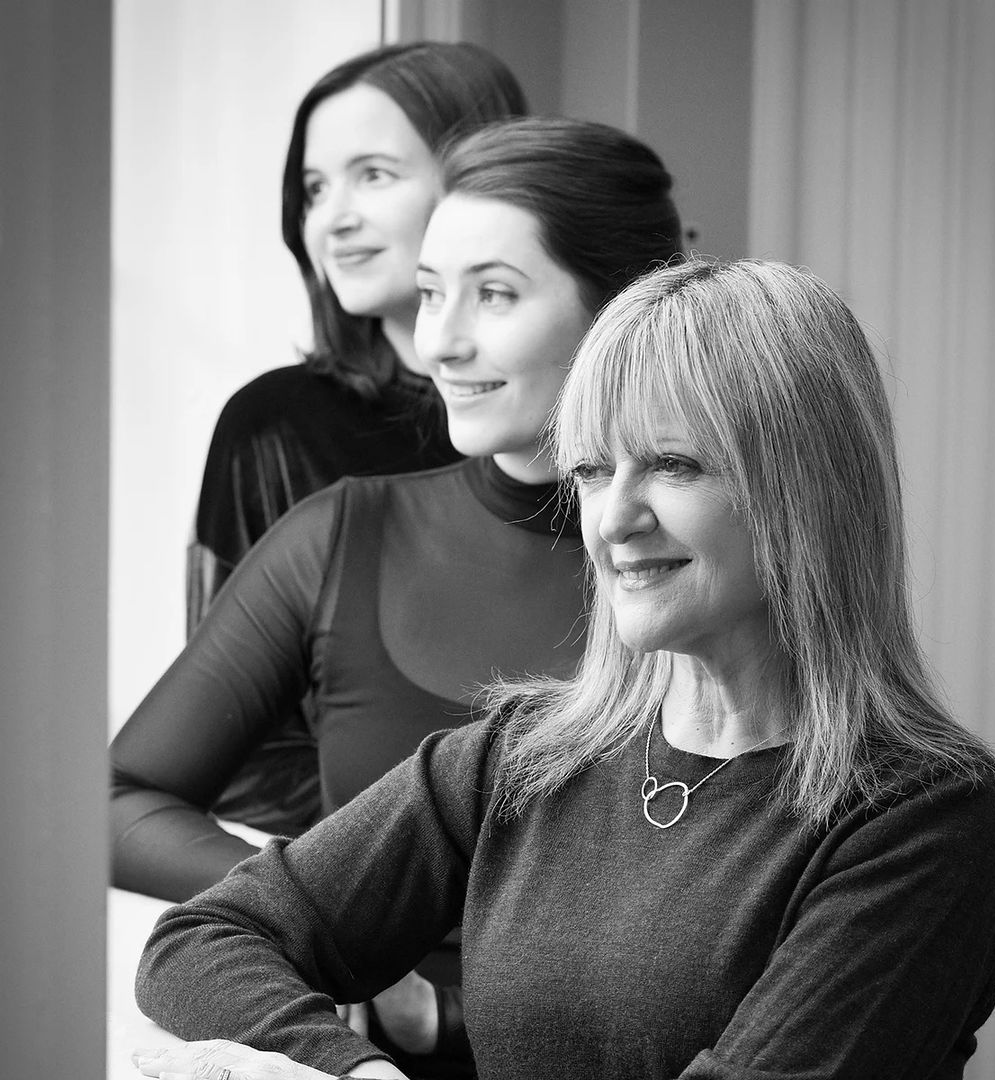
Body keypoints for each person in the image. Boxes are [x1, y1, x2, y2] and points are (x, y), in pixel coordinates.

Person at [131, 258, 995, 1080]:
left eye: (673, 465)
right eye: (596, 470)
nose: (612, 520)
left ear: (807, 494)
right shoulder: (521, 756)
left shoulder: (924, 815)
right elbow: (204, 939)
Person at [112, 116, 682, 1075]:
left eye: (494, 294)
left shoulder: (705, 567)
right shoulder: (344, 535)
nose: (439, 343)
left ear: (623, 309)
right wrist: (329, 911)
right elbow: (115, 799)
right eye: (429, 293)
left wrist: (450, 1018)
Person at [187, 42, 528, 834]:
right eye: (314, 189)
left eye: (373, 174)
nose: (332, 219)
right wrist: (403, 860)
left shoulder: (609, 425)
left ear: (482, 181)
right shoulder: (272, 426)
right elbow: (241, 758)